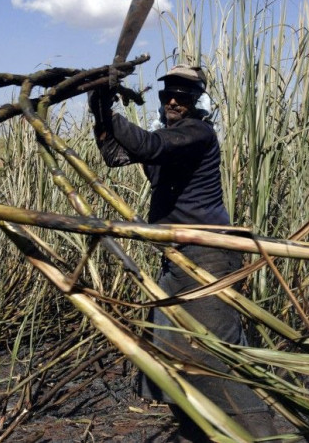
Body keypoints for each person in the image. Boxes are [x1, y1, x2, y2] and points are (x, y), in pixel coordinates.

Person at [89, 65, 278, 441]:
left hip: (207, 257)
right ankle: (200, 432)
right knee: (176, 358)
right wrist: (99, 110)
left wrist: (110, 111)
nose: (174, 100)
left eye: (183, 95)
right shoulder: (170, 137)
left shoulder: (197, 133)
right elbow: (115, 155)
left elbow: (147, 147)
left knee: (212, 359)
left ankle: (260, 435)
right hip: (177, 258)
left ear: (197, 102)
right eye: (167, 94)